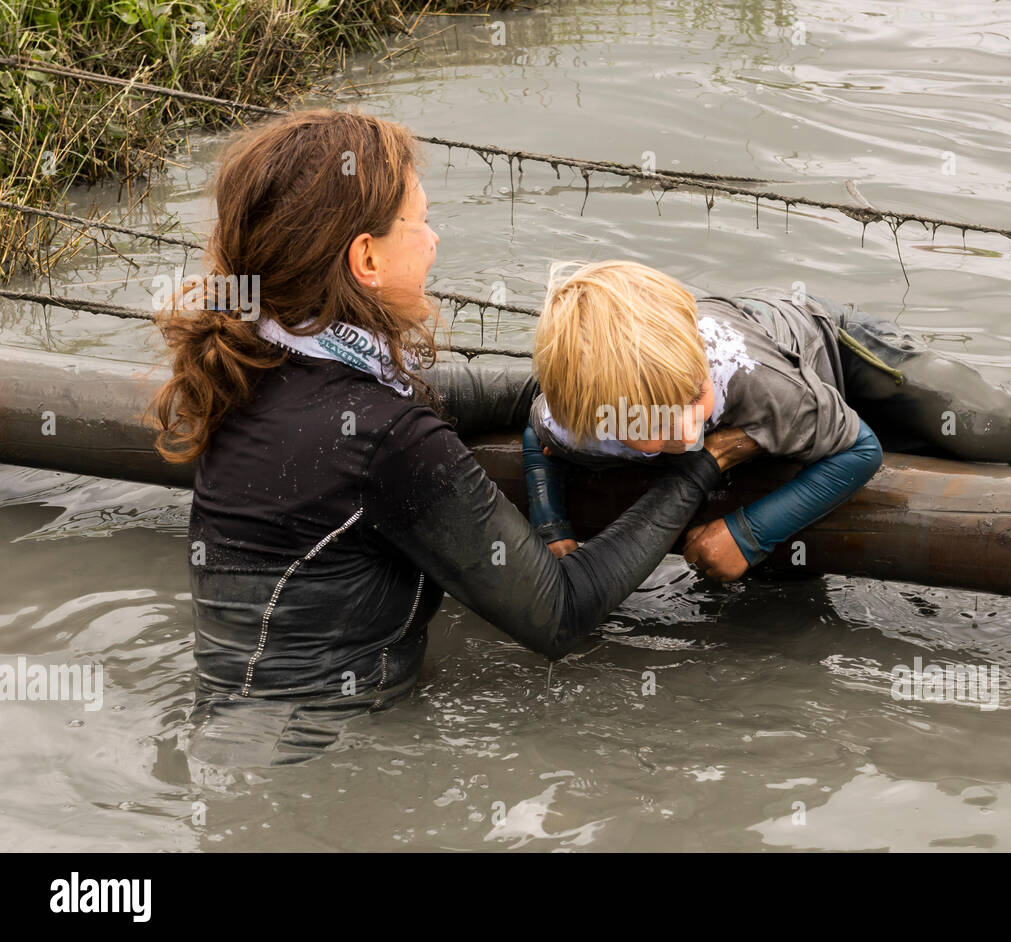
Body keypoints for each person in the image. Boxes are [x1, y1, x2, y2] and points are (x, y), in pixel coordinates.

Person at [148, 111, 758, 767]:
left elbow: (455, 395)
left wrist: (609, 388)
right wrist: (702, 467)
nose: (434, 241)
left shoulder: (252, 360)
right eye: (420, 221)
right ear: (367, 258)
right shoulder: (387, 438)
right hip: (323, 764)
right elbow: (560, 611)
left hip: (235, 742)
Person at [523, 260, 1011, 581]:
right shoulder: (574, 418)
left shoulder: (755, 386)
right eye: (653, 425)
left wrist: (748, 530)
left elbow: (858, 450)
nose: (681, 429)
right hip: (795, 413)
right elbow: (538, 441)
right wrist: (552, 531)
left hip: (835, 351)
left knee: (984, 427)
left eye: (692, 403)